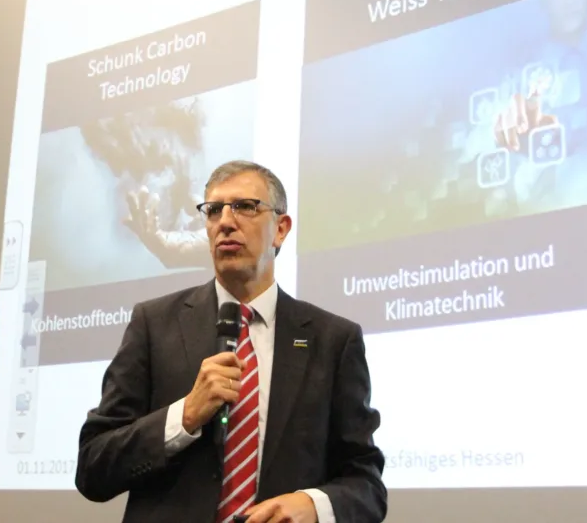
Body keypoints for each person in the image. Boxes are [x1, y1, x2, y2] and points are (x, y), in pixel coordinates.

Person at [75, 160, 387, 523]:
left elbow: (366, 484)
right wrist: (184, 416)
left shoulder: (334, 340)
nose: (225, 221)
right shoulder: (154, 324)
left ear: (281, 229)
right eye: (213, 210)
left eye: (244, 207)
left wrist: (314, 506)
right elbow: (92, 466)